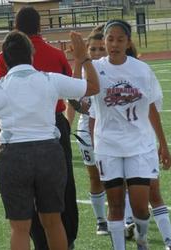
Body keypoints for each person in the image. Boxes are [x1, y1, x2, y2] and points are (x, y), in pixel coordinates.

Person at [0, 29, 98, 250]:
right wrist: (83, 58)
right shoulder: (49, 80)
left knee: (20, 228)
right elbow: (93, 87)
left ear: (4, 59)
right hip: (49, 154)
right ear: (31, 54)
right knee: (53, 223)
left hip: (14, 156)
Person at [0, 7, 79, 249]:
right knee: (62, 189)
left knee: (23, 197)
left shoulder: (4, 57)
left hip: (18, 129)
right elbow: (74, 94)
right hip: (53, 126)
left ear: (16, 26)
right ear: (40, 26)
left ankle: (38, 240)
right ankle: (67, 239)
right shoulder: (57, 54)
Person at [89, 19, 171, 250]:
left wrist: (163, 145)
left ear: (128, 42)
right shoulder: (95, 68)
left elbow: (152, 108)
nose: (114, 44)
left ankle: (142, 239)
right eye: (110, 39)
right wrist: (79, 59)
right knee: (115, 206)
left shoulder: (142, 70)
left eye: (120, 39)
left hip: (139, 145)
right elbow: (79, 94)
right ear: (104, 41)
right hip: (108, 146)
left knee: (140, 208)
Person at [71, 26, 108, 235]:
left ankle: (125, 217)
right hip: (86, 129)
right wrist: (78, 106)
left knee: (116, 178)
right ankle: (101, 220)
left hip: (110, 130)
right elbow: (73, 97)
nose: (96, 54)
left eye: (100, 49)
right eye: (92, 49)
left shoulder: (113, 70)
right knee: (95, 177)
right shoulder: (83, 69)